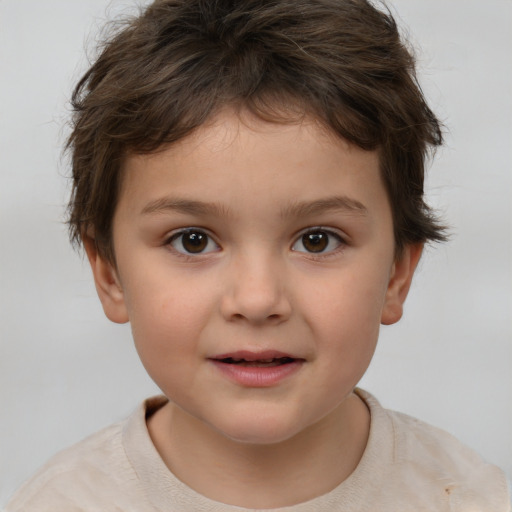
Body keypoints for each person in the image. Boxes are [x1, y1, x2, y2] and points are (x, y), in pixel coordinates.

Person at [5, 0, 510, 510]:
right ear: (109, 272)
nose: (257, 299)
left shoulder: (470, 500)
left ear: (397, 275)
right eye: (193, 240)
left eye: (317, 240)